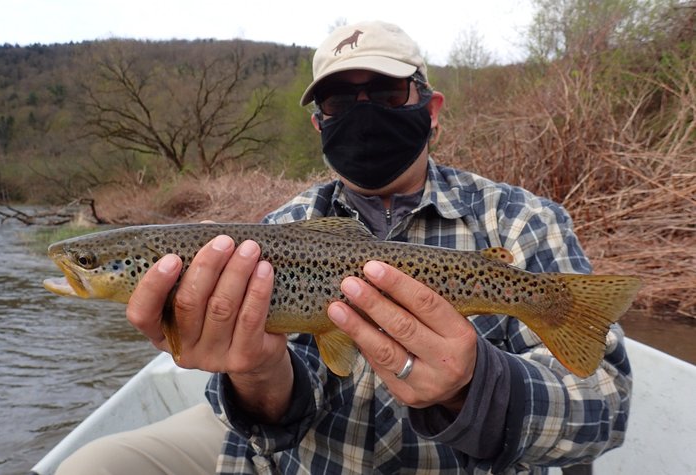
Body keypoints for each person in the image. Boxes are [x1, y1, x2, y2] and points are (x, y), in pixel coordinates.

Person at [57, 21, 631, 474]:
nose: (362, 112)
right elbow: (265, 420)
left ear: (430, 110)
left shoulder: (522, 221)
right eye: (337, 102)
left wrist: (478, 385)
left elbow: (607, 408)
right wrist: (258, 374)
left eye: (384, 92)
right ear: (318, 124)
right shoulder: (277, 231)